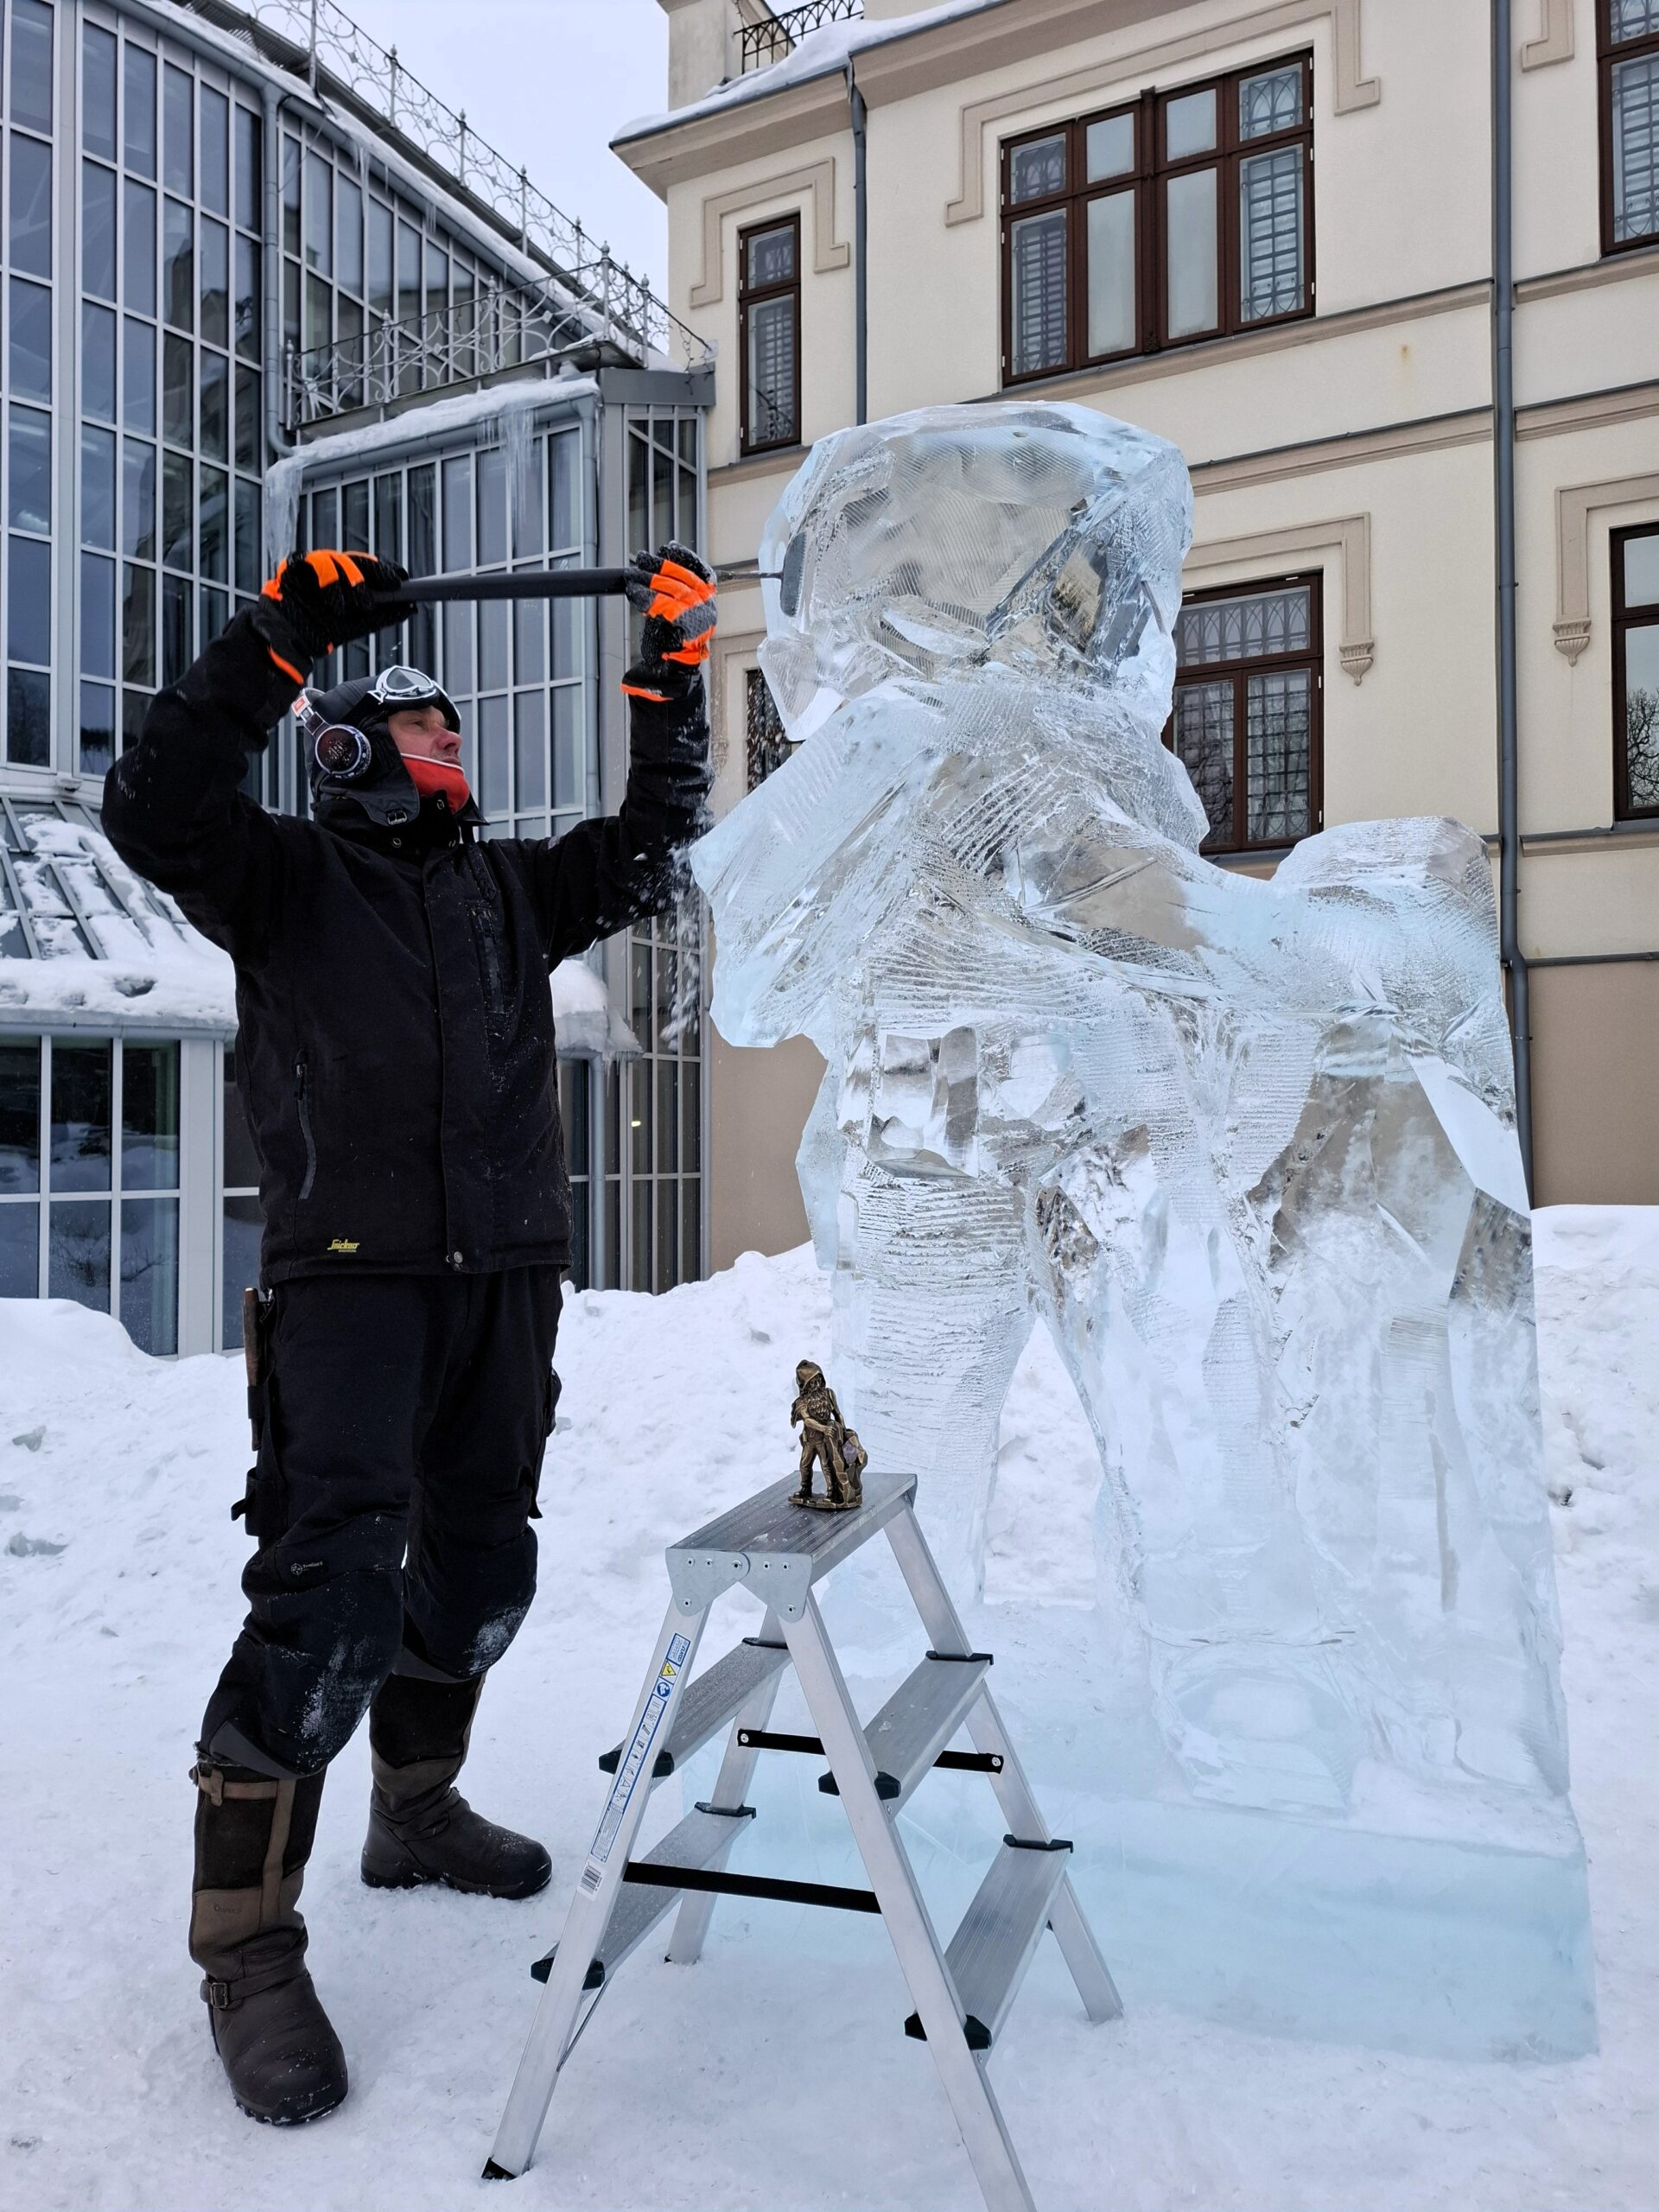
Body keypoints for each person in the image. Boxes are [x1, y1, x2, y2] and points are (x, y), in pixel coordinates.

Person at [102, 540, 716, 2126]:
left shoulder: (509, 891)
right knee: (327, 1606)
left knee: (487, 1575)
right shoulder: (289, 885)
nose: (459, 755)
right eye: (435, 734)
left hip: (504, 1275)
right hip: (350, 1291)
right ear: (357, 751)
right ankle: (245, 1948)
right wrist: (280, 637)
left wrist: (671, 678)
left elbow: (652, 849)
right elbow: (154, 808)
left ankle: (415, 1806)